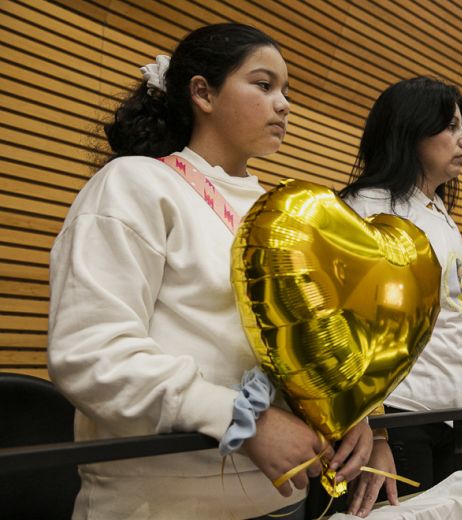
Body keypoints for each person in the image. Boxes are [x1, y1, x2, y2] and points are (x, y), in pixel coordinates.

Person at [47, 23, 382, 519]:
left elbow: (310, 340)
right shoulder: (136, 183)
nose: (284, 104)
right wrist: (242, 419)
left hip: (282, 500)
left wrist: (348, 411)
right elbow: (90, 352)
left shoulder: (285, 210)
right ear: (202, 92)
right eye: (264, 85)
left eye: (286, 90)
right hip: (163, 504)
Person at [340, 77, 462, 496]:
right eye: (451, 126)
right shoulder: (365, 208)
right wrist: (375, 432)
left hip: (449, 417)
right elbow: (350, 325)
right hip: (396, 420)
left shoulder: (440, 214)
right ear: (411, 130)